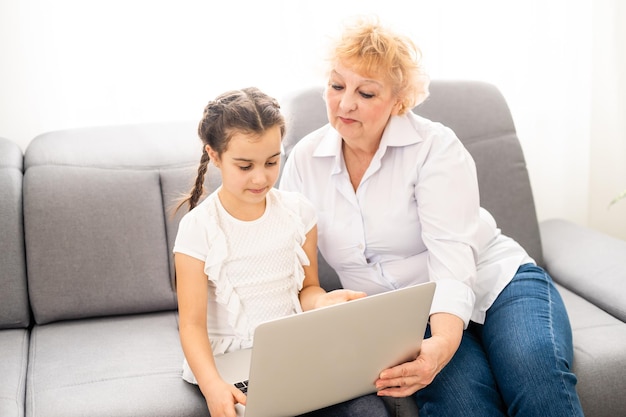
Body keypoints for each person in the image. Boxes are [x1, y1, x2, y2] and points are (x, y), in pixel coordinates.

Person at [279, 17, 584, 417]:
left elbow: (452, 261)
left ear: (398, 101)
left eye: (366, 93)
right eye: (337, 86)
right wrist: (317, 305)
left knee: (533, 370)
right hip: (407, 312)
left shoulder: (435, 147)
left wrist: (441, 345)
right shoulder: (304, 159)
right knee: (461, 404)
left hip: (496, 281)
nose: (345, 103)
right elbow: (293, 265)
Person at [173, 87, 390, 417]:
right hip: (230, 362)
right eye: (245, 166)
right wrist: (213, 385)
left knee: (368, 411)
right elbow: (191, 325)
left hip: (293, 351)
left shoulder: (298, 212)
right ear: (215, 156)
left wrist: (322, 301)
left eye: (272, 162)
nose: (261, 178)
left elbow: (308, 289)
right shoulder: (198, 227)